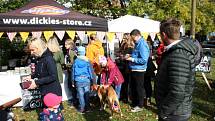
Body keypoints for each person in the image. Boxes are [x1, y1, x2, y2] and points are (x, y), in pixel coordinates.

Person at [155, 18, 198, 121]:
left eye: (160, 35)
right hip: (174, 111)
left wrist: (164, 112)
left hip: (175, 113)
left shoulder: (178, 55)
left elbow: (177, 91)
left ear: (164, 35)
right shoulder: (174, 52)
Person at [126, 29, 150, 112]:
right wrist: (130, 55)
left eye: (133, 38)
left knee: (139, 88)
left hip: (139, 70)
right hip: (134, 69)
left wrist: (132, 59)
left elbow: (144, 59)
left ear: (137, 35)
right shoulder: (137, 43)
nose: (132, 40)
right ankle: (135, 103)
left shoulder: (142, 44)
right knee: (134, 87)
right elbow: (137, 54)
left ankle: (139, 105)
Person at [72, 46, 95, 113]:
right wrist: (93, 81)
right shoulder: (88, 61)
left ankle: (82, 108)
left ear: (78, 53)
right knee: (86, 94)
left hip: (78, 80)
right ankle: (87, 108)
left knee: (80, 95)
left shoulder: (75, 61)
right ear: (84, 53)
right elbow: (91, 72)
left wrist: (73, 82)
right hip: (86, 80)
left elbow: (73, 72)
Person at [64, 39, 77, 107]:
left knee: (72, 86)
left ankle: (74, 101)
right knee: (70, 86)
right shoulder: (68, 51)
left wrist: (65, 65)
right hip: (70, 70)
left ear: (70, 45)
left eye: (66, 44)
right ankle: (74, 99)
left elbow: (73, 63)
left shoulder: (71, 52)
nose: (65, 45)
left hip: (72, 71)